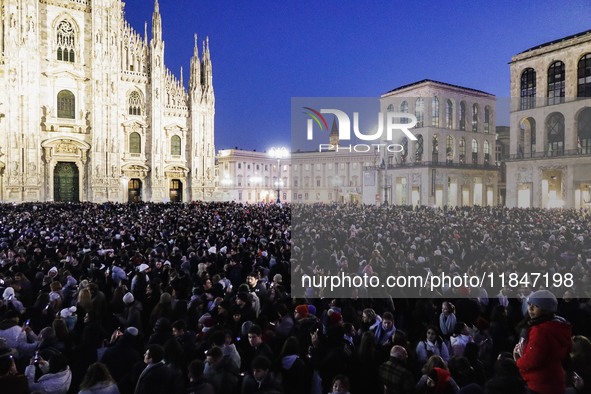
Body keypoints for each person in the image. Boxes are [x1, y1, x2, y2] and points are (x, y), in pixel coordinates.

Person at [513, 289, 572, 394]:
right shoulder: (558, 325)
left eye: (536, 306)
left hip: (540, 384)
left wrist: (517, 362)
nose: (530, 308)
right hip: (555, 380)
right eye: (529, 304)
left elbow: (533, 359)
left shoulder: (540, 330)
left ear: (546, 310)